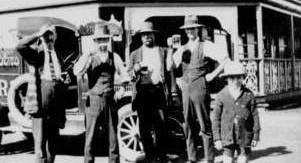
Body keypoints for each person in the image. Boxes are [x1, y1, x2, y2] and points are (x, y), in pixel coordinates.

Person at [168, 15, 229, 163]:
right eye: (187, 29)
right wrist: (170, 49)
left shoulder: (206, 45)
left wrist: (212, 75)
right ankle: (192, 157)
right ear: (185, 31)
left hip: (200, 87)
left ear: (198, 29)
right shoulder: (182, 48)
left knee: (204, 124)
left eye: (192, 28)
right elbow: (170, 66)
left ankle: (209, 158)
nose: (190, 31)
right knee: (188, 124)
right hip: (186, 90)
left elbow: (225, 58)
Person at [74, 23, 128, 163]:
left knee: (113, 137)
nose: (102, 43)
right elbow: (77, 72)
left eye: (105, 40)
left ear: (108, 40)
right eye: (99, 40)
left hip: (110, 101)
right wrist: (86, 55)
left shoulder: (114, 56)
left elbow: (125, 76)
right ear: (95, 41)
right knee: (90, 137)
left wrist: (121, 90)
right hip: (93, 102)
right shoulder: (90, 57)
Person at [16, 26, 68, 163]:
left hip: (56, 101)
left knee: (53, 142)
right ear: (42, 38)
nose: (49, 39)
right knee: (40, 144)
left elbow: (62, 74)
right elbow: (20, 46)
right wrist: (38, 33)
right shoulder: (36, 54)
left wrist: (63, 80)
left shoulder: (58, 54)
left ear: (55, 37)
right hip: (40, 100)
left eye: (52, 36)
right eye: (47, 36)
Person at [128, 21, 175, 162]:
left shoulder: (163, 51)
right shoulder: (135, 54)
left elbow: (170, 70)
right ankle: (149, 156)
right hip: (142, 93)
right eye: (144, 35)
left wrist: (173, 92)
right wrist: (135, 69)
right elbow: (129, 74)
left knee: (161, 125)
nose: (147, 37)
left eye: (149, 34)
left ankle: (161, 156)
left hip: (158, 91)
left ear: (154, 35)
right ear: (141, 37)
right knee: (144, 128)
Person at [212, 61, 260, 163]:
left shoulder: (248, 95)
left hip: (244, 135)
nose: (235, 81)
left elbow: (255, 116)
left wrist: (256, 135)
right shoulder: (221, 96)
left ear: (243, 78)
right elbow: (216, 119)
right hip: (227, 136)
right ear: (226, 79)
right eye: (232, 78)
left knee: (243, 159)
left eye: (239, 78)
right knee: (228, 160)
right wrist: (217, 138)